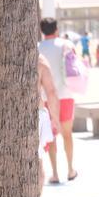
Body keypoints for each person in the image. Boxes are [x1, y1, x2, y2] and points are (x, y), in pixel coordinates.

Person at [39, 17, 79, 183]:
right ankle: (70, 169)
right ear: (56, 29)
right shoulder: (66, 44)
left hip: (45, 98)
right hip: (66, 94)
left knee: (51, 135)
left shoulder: (37, 47)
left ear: (42, 31)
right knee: (67, 134)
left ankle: (55, 173)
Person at [38, 54, 60, 188]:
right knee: (37, 161)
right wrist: (55, 118)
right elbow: (51, 92)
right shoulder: (40, 60)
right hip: (37, 112)